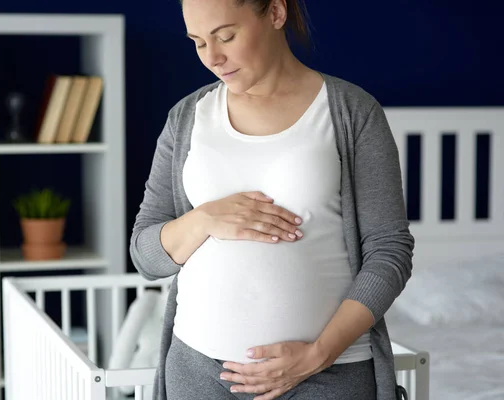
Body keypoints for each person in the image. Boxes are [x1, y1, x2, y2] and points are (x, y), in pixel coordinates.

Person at [129, 0, 414, 399]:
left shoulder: (352, 112)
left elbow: (390, 251)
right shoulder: (187, 118)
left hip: (329, 373)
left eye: (226, 36)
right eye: (198, 42)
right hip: (198, 371)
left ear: (276, 13)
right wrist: (204, 219)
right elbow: (145, 255)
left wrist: (319, 354)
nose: (213, 57)